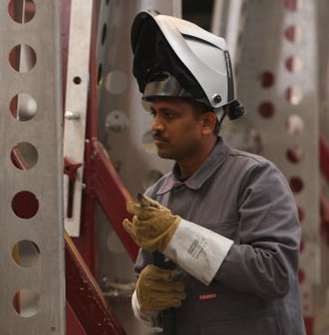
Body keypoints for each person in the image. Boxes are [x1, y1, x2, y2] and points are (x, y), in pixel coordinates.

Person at [123, 11, 305, 335]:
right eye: (153, 113)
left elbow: (274, 274)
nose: (155, 126)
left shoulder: (255, 179)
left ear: (207, 122)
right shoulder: (157, 198)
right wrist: (144, 300)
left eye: (169, 114)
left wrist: (177, 236)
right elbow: (150, 293)